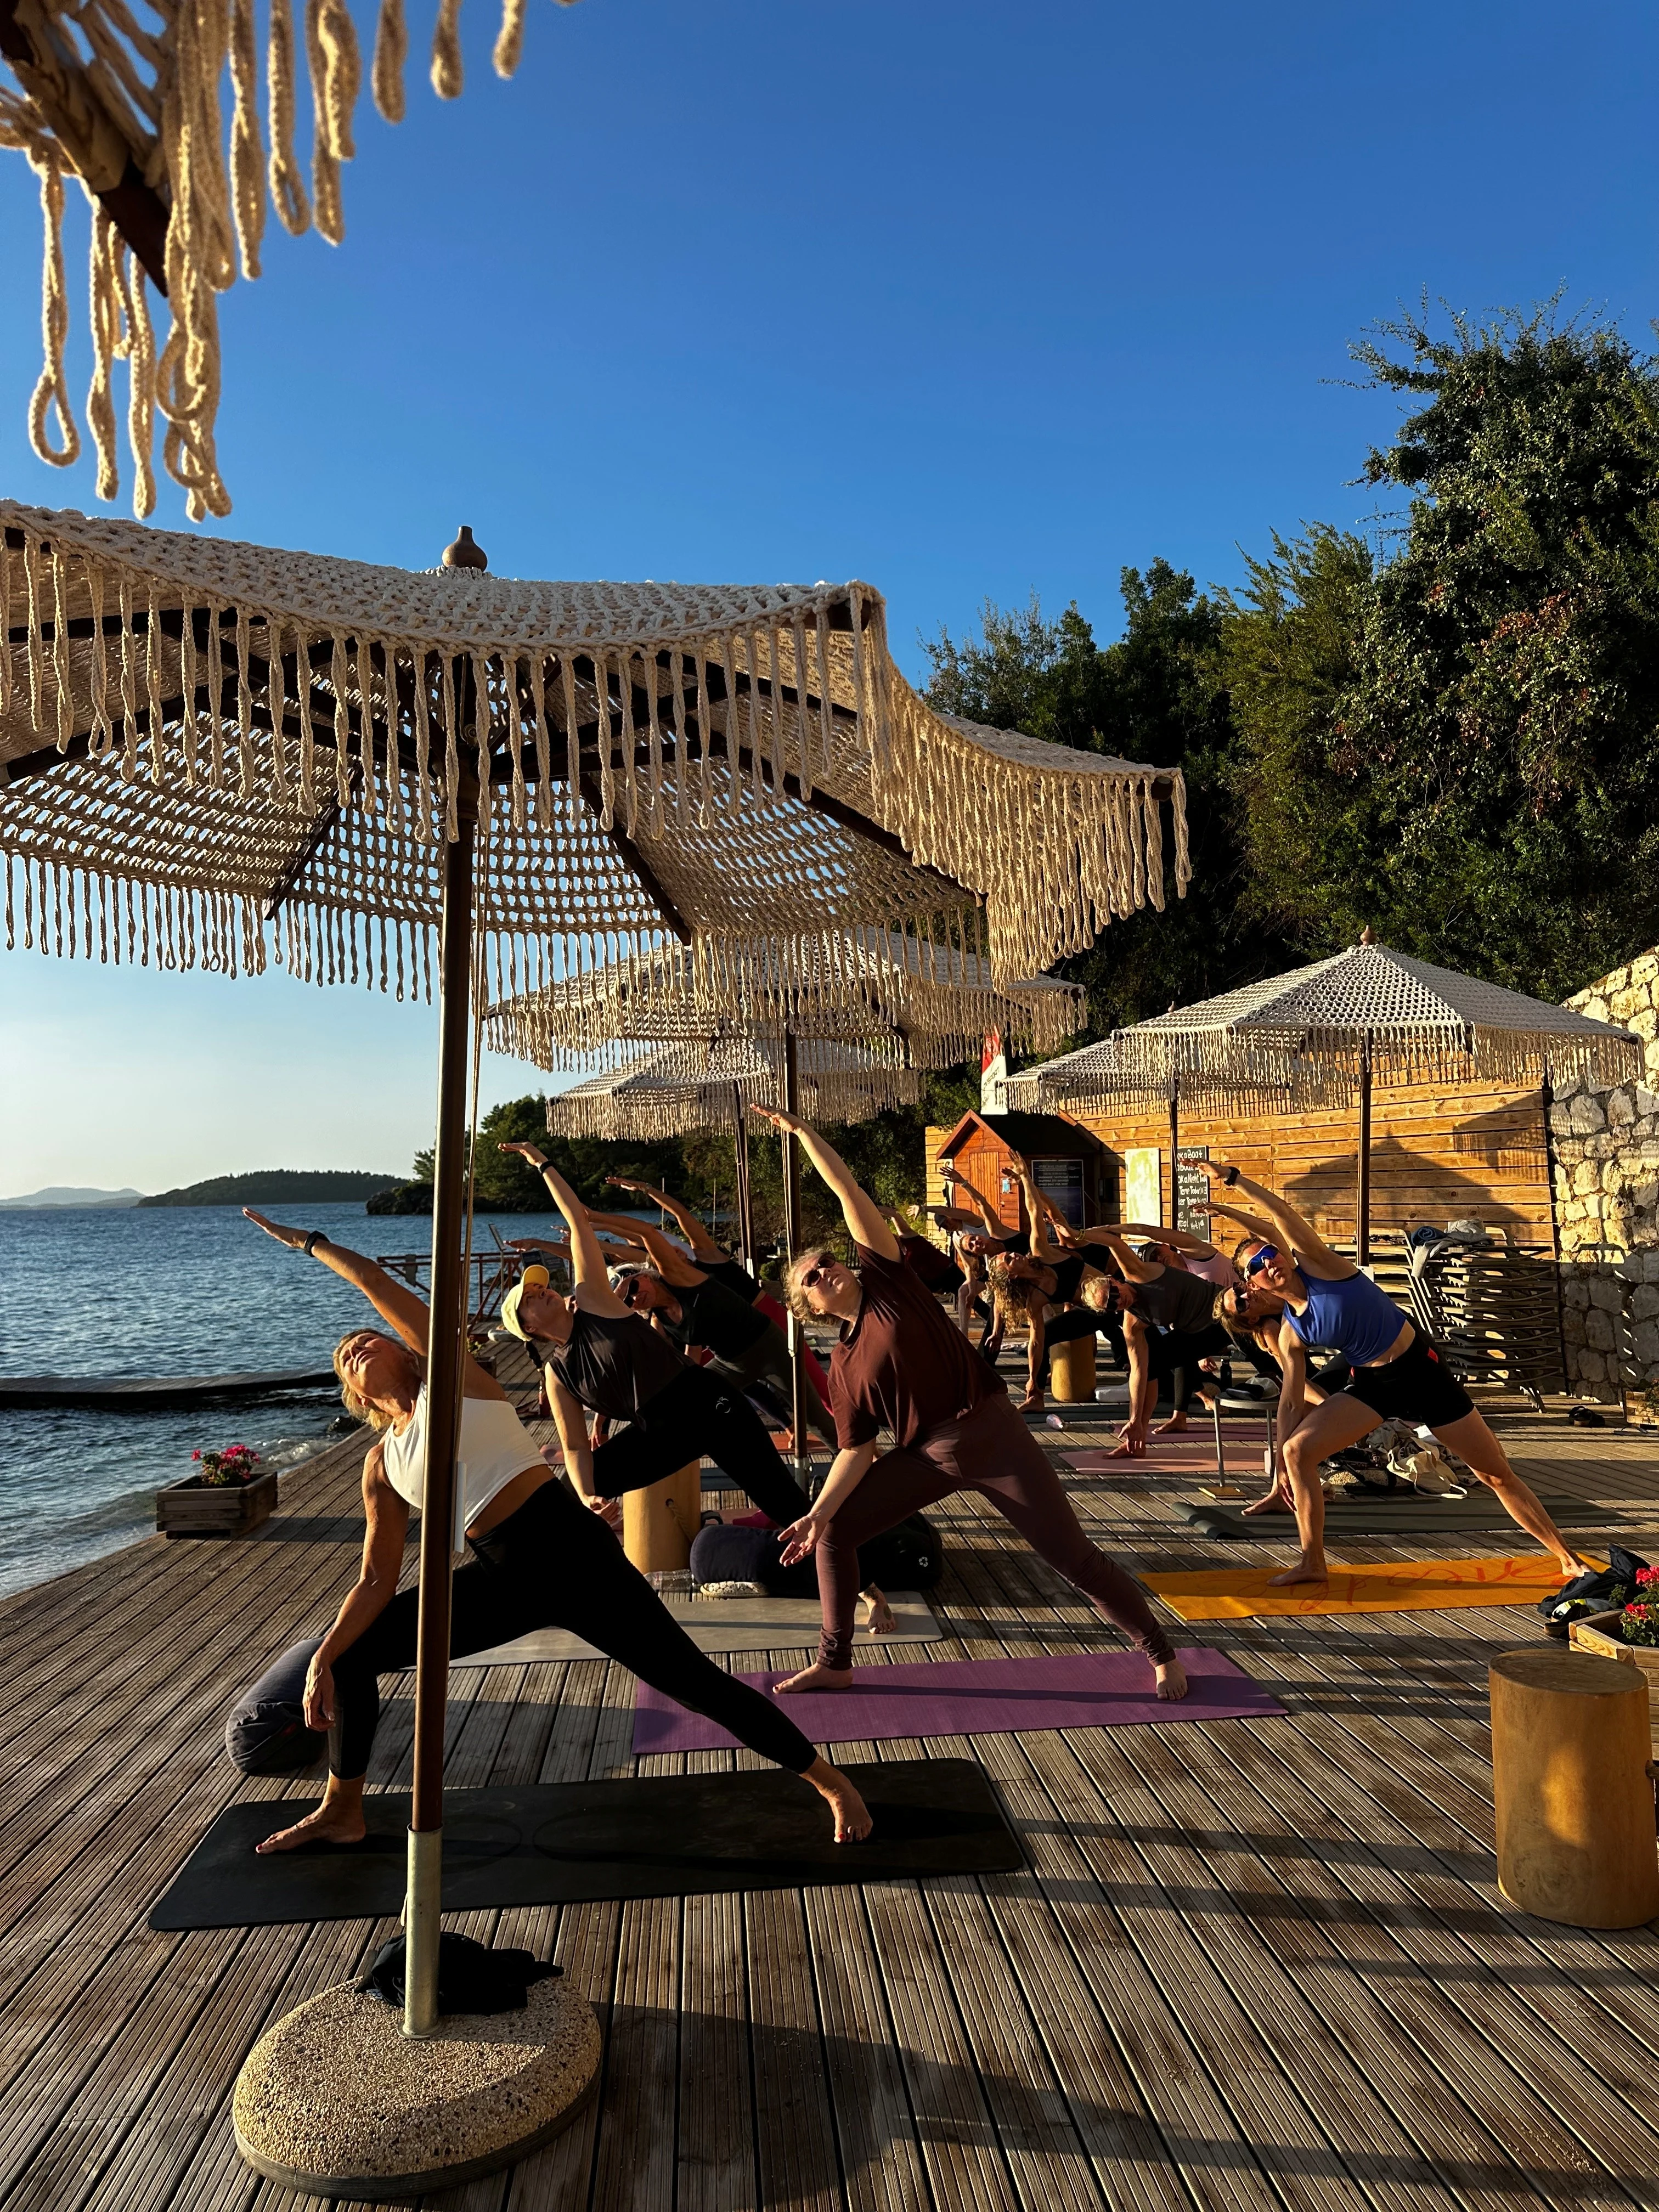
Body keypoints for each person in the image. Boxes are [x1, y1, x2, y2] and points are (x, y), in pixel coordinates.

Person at [238, 1210, 872, 1848]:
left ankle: (828, 1780)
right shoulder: (382, 1463)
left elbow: (379, 1285)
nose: (358, 1345)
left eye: (370, 1338)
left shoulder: (456, 1386)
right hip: (500, 1575)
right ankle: (343, 1809)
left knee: (695, 1683)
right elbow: (375, 1576)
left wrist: (313, 1244)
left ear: (407, 1351)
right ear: (355, 1394)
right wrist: (323, 1654)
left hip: (569, 1551)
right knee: (354, 1656)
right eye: (347, 1356)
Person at [747, 1107, 1189, 1701]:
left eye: (824, 1261)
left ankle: (1160, 1651)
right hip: (926, 1457)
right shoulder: (844, 1369)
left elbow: (850, 1191)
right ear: (812, 1309)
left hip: (993, 1434)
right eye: (809, 1278)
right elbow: (856, 1450)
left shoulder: (888, 1281)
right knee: (833, 1534)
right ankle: (835, 1661)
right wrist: (818, 1511)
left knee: (1073, 1559)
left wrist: (804, 1135)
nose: (822, 1271)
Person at [1199, 1159, 1583, 1587]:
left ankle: (1567, 1557)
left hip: (1421, 1372)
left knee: (1494, 1473)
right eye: (1257, 1267)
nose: (1269, 1265)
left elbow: (1282, 1215)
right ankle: (1313, 1561)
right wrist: (1278, 1475)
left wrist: (1234, 1182)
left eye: (1270, 1254)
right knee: (1296, 1452)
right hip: (1373, 1385)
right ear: (1253, 1284)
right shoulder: (1291, 1332)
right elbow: (1290, 1400)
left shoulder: (1321, 1265)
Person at [495, 1143, 817, 1528]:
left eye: (541, 1287)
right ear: (529, 1329)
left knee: (785, 1502)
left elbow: (578, 1223)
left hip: (706, 1403)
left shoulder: (595, 1301)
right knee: (573, 1496)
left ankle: (868, 1578)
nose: (542, 1291)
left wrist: (541, 1163)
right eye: (530, 1298)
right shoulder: (557, 1375)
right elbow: (576, 1447)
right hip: (659, 1432)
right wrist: (588, 1494)